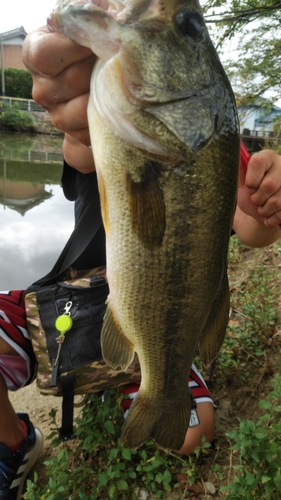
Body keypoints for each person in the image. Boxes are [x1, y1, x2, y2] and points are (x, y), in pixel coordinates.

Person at [0, 26, 281, 500]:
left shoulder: (215, 140)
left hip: (160, 325)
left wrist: (267, 210)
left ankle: (142, 377)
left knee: (195, 429)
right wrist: (83, 102)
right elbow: (80, 148)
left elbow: (251, 229)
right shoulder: (107, 115)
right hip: (69, 305)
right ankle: (17, 443)